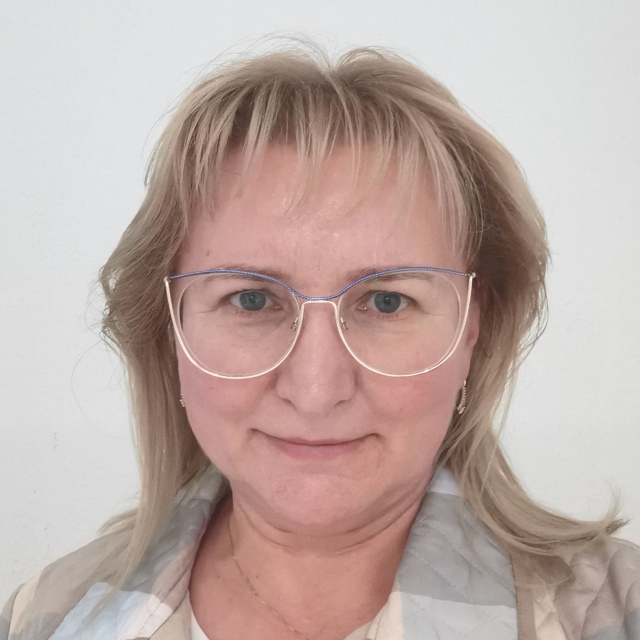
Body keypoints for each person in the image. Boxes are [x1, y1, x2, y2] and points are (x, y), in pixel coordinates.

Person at [2, 43, 639, 640]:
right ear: (172, 329)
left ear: (472, 328)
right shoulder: (42, 614)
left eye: (386, 301)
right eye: (252, 300)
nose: (315, 390)